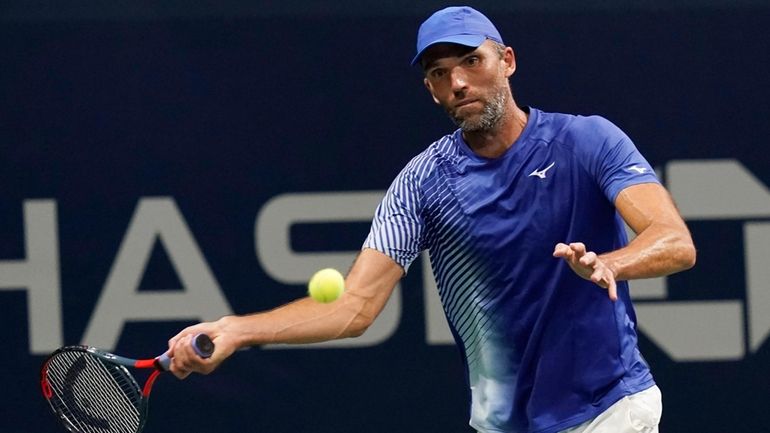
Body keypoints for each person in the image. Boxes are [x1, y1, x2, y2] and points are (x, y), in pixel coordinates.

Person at [166, 6, 696, 433]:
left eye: (472, 62)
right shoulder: (422, 183)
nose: (459, 83)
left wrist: (611, 263)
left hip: (609, 409)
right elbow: (354, 307)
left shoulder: (587, 141)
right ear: (431, 90)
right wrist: (237, 330)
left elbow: (674, 240)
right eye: (440, 74)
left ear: (507, 60)